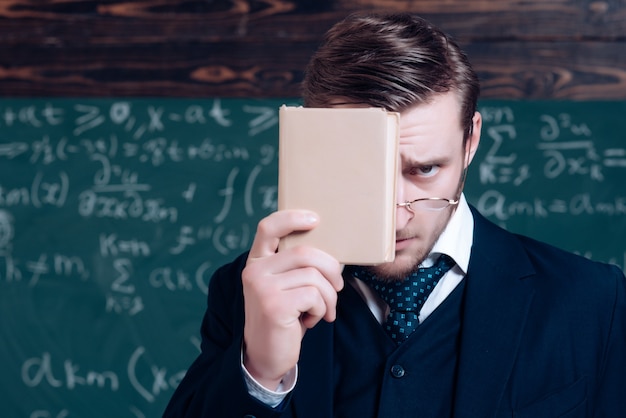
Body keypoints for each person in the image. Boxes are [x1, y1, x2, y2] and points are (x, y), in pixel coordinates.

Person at [164, 12, 626, 418]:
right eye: (360, 172)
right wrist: (259, 374)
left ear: (471, 142)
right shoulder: (246, 292)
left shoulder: (592, 301)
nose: (396, 214)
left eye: (425, 169)